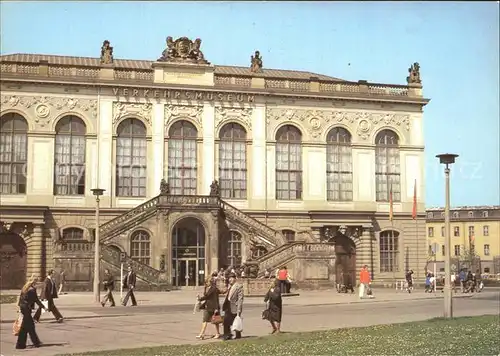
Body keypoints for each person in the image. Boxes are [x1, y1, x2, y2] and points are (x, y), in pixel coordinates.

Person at [16, 276, 47, 349]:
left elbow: (21, 298)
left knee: (25, 328)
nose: (37, 284)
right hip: (26, 309)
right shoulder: (32, 289)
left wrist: (20, 308)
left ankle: (21, 344)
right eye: (36, 282)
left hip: (23, 308)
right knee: (31, 327)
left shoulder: (25, 287)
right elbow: (36, 300)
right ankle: (36, 343)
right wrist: (43, 307)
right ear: (34, 282)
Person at [196, 273, 221, 340]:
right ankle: (202, 334)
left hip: (213, 307)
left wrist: (216, 308)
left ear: (210, 282)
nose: (206, 283)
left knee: (216, 321)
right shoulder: (206, 288)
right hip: (207, 306)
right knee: (205, 320)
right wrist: (200, 298)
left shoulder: (214, 289)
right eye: (205, 282)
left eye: (207, 282)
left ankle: (218, 333)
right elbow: (206, 297)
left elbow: (215, 299)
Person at [222, 272, 244, 341]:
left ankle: (238, 334)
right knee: (226, 321)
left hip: (234, 306)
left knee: (236, 321)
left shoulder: (239, 286)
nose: (230, 280)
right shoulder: (230, 286)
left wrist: (239, 310)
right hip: (228, 306)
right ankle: (227, 335)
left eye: (231, 278)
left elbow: (240, 299)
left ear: (235, 279)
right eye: (229, 278)